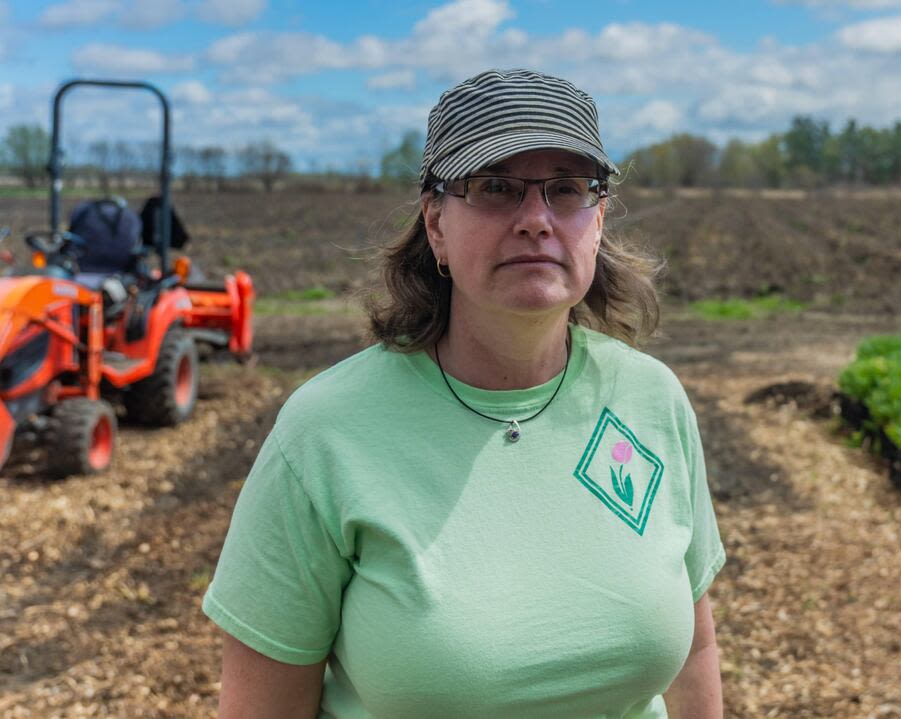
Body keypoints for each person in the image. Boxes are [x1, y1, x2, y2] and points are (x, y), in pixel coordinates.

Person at [202, 68, 727, 718]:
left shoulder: (652, 400)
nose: (536, 219)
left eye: (566, 189)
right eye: (496, 188)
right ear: (436, 223)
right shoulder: (325, 432)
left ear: (598, 221)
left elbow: (695, 646)